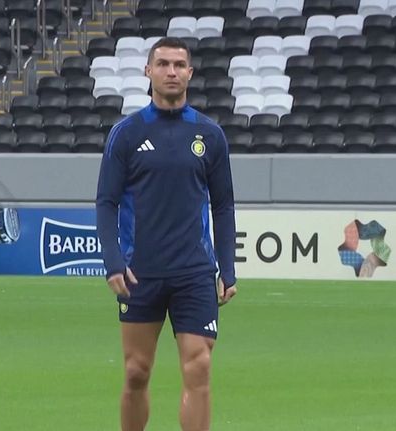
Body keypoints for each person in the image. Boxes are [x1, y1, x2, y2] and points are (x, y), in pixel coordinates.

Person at [95, 37, 237, 431]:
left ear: (189, 72)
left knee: (199, 367)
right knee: (136, 371)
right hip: (140, 272)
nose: (171, 72)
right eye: (162, 64)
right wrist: (113, 262)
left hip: (194, 272)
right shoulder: (126, 134)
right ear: (148, 71)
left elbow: (223, 205)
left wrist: (227, 267)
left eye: (178, 65)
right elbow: (106, 203)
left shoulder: (210, 135)